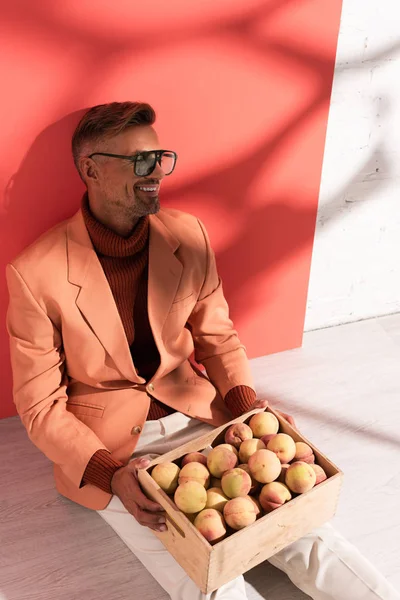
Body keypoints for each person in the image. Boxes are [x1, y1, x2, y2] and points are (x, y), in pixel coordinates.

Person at [6, 101, 399, 600]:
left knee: (308, 535)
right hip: (118, 453)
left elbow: (218, 338)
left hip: (205, 418)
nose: (156, 174)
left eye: (161, 158)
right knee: (209, 581)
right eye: (139, 161)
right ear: (91, 168)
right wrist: (109, 474)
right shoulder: (34, 273)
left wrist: (245, 406)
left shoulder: (187, 235)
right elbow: (39, 407)